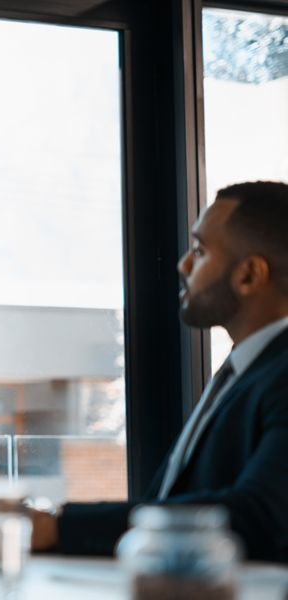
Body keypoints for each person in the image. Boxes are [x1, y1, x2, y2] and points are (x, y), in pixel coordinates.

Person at [27, 181, 288, 562]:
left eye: (199, 251)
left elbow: (260, 516)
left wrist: (61, 527)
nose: (182, 264)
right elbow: (170, 500)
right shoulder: (242, 371)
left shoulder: (278, 374)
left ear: (249, 276)